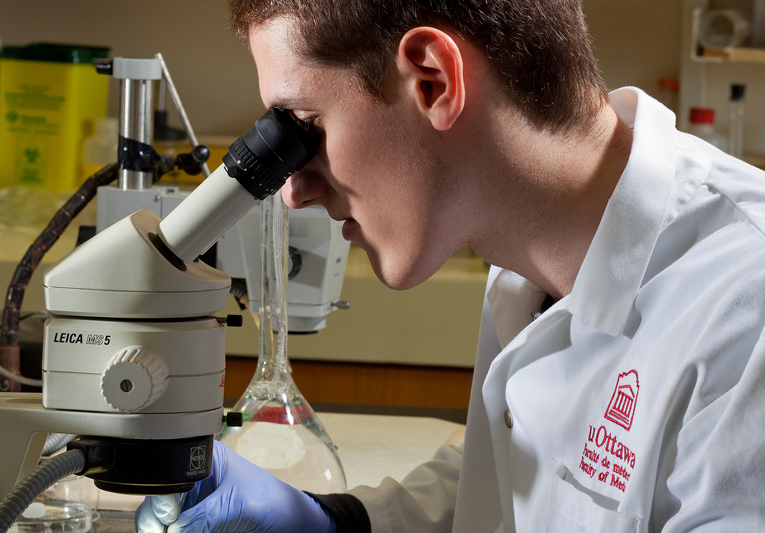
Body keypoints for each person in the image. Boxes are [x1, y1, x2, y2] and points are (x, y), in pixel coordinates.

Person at [136, 0, 765, 531]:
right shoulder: (528, 257)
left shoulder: (745, 316)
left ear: (433, 79)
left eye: (305, 126)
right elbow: (525, 474)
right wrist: (340, 522)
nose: (295, 190)